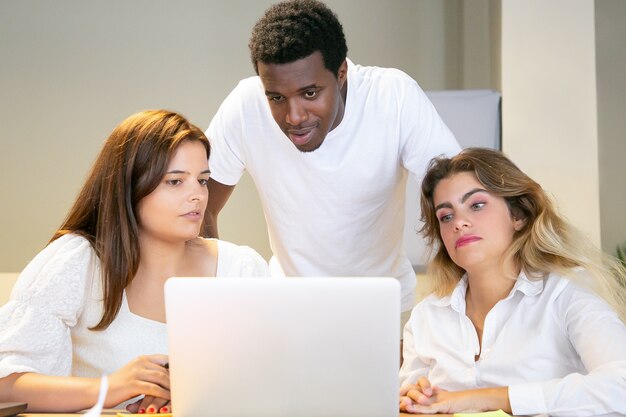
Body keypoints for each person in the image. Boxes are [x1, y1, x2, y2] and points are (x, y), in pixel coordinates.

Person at [204, 0, 460, 332]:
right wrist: (209, 300)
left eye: (310, 93)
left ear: (341, 73)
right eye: (276, 98)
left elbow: (458, 194)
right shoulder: (245, 105)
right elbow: (199, 204)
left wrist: (456, 303)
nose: (294, 116)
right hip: (288, 308)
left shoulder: (392, 96)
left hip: (384, 308)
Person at [0, 110, 270, 413]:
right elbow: (6, 384)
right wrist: (111, 388)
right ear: (129, 186)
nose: (197, 195)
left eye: (203, 180)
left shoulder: (243, 269)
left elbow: (276, 376)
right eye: (175, 181)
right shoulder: (75, 262)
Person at [398, 148, 626, 415]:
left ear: (518, 215)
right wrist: (412, 398)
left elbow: (620, 386)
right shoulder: (426, 317)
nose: (459, 223)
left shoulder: (567, 291)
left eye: (477, 205)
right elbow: (406, 404)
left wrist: (485, 399)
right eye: (446, 216)